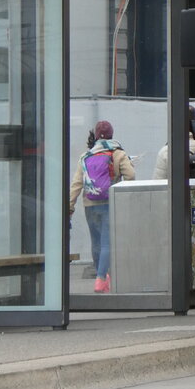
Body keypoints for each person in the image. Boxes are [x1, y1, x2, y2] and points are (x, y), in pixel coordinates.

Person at [68, 121, 136, 293]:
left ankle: (104, 277)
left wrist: (69, 206)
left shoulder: (86, 156)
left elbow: (76, 183)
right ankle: (100, 279)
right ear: (112, 134)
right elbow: (131, 175)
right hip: (109, 203)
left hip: (89, 204)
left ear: (96, 136)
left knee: (96, 242)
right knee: (107, 243)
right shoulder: (118, 153)